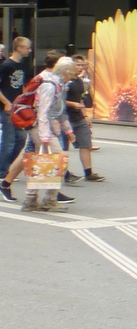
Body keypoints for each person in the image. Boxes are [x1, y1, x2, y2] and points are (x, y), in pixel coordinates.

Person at [20, 56, 77, 212]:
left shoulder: (56, 84)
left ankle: (33, 200)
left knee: (45, 162)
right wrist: (45, 136)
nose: (72, 77)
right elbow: (43, 112)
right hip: (41, 128)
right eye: (72, 73)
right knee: (56, 161)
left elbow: (58, 110)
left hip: (43, 128)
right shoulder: (50, 86)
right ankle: (46, 200)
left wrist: (67, 129)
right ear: (66, 72)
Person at [0, 36, 32, 202]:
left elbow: (22, 86)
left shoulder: (22, 65)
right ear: (19, 48)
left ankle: (10, 169)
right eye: (27, 47)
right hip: (7, 107)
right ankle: (3, 172)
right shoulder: (6, 65)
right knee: (9, 140)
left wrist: (25, 101)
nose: (29, 50)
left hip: (18, 107)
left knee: (20, 138)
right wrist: (6, 102)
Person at [65, 54, 104, 183]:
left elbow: (80, 99)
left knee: (85, 144)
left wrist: (86, 116)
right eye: (78, 65)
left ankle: (89, 173)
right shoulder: (66, 81)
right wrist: (72, 104)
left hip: (78, 117)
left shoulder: (80, 81)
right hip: (65, 119)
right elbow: (58, 100)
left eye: (82, 65)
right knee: (63, 147)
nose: (80, 67)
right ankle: (65, 173)